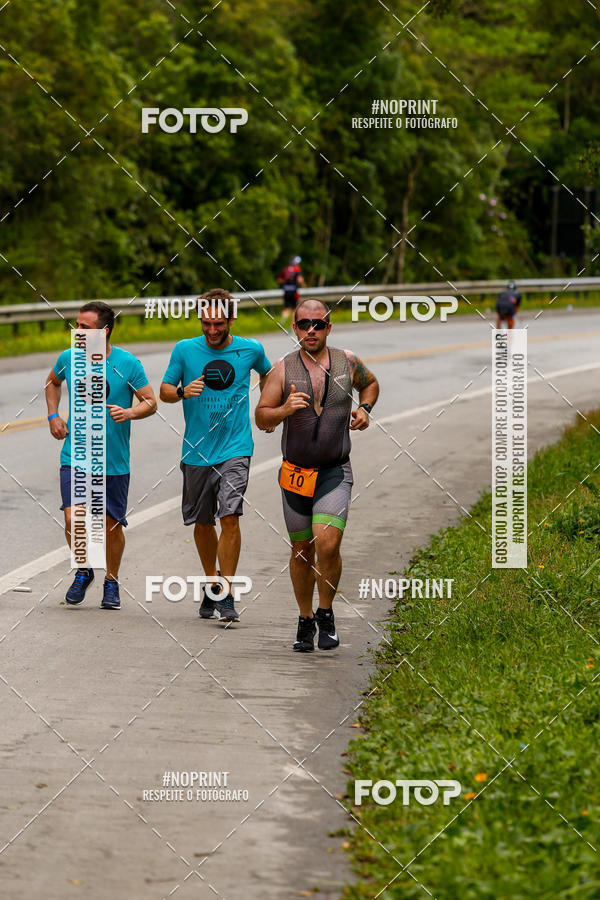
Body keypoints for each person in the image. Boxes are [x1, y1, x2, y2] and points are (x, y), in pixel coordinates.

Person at [255, 298, 379, 652]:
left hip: (334, 470)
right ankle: (305, 618)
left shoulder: (347, 362)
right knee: (301, 550)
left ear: (329, 327)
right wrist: (283, 409)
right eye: (304, 324)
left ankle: (326, 612)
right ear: (294, 328)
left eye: (318, 324)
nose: (311, 330)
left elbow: (370, 385)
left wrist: (366, 409)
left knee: (327, 543)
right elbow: (261, 417)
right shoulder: (282, 369)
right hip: (295, 474)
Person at [160, 288, 272, 623]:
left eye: (218, 324)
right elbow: (164, 391)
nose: (211, 330)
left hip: (235, 447)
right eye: (206, 323)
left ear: (231, 320)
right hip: (196, 451)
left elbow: (268, 373)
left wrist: (265, 406)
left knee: (230, 516)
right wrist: (182, 391)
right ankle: (211, 580)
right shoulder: (184, 350)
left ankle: (225, 591)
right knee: (203, 522)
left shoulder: (251, 349)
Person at [46, 301, 157, 609]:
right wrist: (53, 415)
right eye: (76, 326)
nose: (77, 332)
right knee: (74, 517)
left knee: (111, 526)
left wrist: (131, 411)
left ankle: (111, 579)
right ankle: (84, 568)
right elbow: (53, 382)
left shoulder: (127, 363)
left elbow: (151, 401)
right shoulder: (69, 357)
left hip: (113, 460)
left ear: (104, 331)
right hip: (76, 455)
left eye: (85, 328)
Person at [277, 255, 305, 327]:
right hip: (293, 291)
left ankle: (282, 320)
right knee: (294, 309)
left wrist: (286, 282)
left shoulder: (285, 269)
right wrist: (303, 285)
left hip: (286, 291)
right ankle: (291, 326)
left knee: (286, 307)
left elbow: (279, 280)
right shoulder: (297, 269)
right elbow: (300, 279)